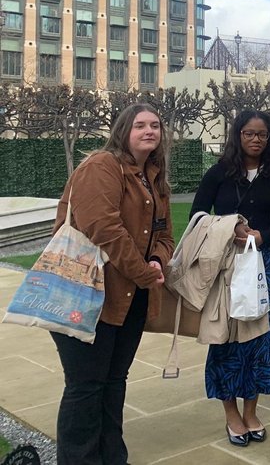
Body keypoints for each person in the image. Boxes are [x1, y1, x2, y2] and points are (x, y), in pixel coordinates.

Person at [50, 103, 174, 465]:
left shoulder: (154, 176)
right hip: (87, 292)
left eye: (155, 125)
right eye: (140, 125)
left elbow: (165, 235)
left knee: (114, 381)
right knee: (85, 386)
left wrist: (158, 260)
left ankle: (111, 457)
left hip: (129, 297)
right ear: (124, 130)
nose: (149, 131)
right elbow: (103, 229)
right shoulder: (102, 166)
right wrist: (145, 273)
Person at [190, 110, 270, 446]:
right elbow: (197, 216)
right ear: (238, 135)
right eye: (249, 133)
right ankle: (230, 412)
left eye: (262, 134)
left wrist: (265, 236)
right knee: (228, 336)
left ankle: (251, 410)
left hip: (261, 263)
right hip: (227, 265)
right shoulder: (219, 173)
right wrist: (228, 226)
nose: (256, 140)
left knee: (259, 336)